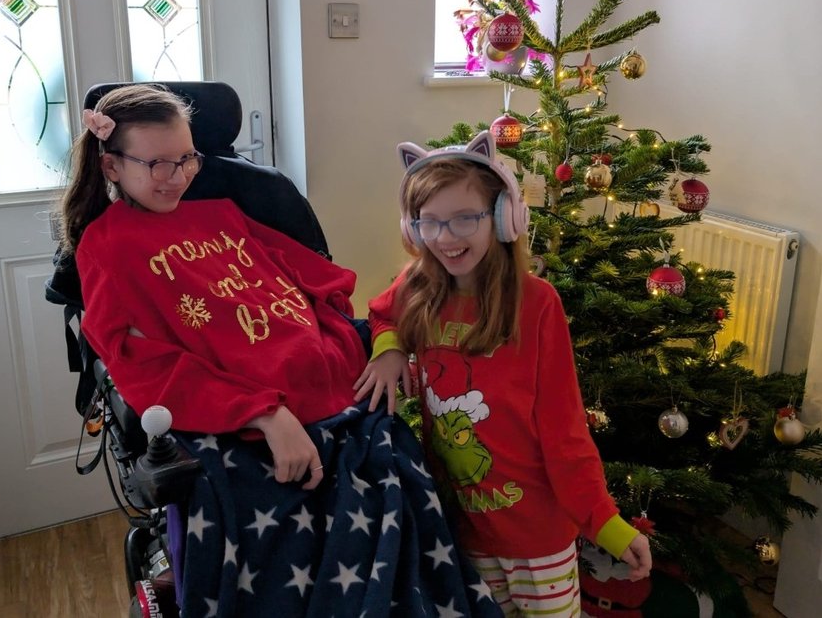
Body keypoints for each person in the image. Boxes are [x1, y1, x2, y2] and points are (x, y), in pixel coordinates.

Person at [59, 83, 502, 617]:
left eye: (187, 159)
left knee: (401, 483)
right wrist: (264, 413)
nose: (177, 176)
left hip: (328, 385)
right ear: (111, 166)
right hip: (238, 415)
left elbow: (314, 276)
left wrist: (352, 338)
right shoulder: (106, 246)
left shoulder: (224, 211)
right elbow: (141, 364)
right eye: (158, 164)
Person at [353, 131, 652, 617]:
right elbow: (381, 313)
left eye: (464, 218)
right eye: (429, 222)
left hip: (538, 541)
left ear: (502, 216)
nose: (445, 238)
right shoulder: (417, 287)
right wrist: (388, 350)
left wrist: (607, 525)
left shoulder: (537, 304)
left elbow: (565, 433)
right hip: (463, 532)